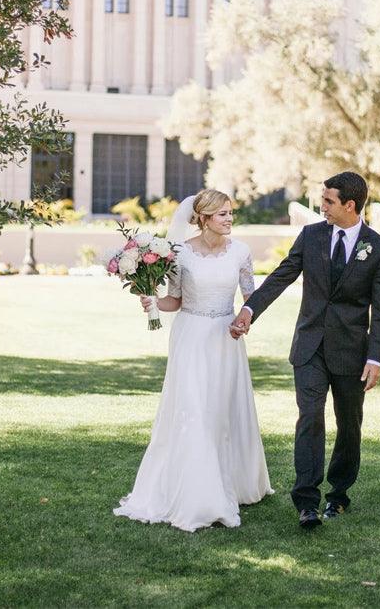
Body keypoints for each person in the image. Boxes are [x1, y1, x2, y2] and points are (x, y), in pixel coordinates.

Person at [231, 171, 380, 530]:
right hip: (309, 348)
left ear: (349, 205)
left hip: (353, 353)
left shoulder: (379, 249)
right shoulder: (311, 235)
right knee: (309, 417)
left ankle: (339, 495)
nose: (322, 206)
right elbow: (281, 275)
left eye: (329, 201)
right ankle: (306, 501)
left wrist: (375, 357)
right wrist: (249, 309)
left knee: (349, 425)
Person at [113, 188, 273, 533]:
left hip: (225, 340)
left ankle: (234, 481)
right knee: (195, 410)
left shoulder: (241, 252)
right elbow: (176, 300)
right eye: (221, 214)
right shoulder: (181, 254)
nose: (229, 219)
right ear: (202, 218)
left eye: (231, 213)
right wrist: (152, 302)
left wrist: (243, 321)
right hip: (191, 338)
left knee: (222, 410)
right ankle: (200, 495)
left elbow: (251, 298)